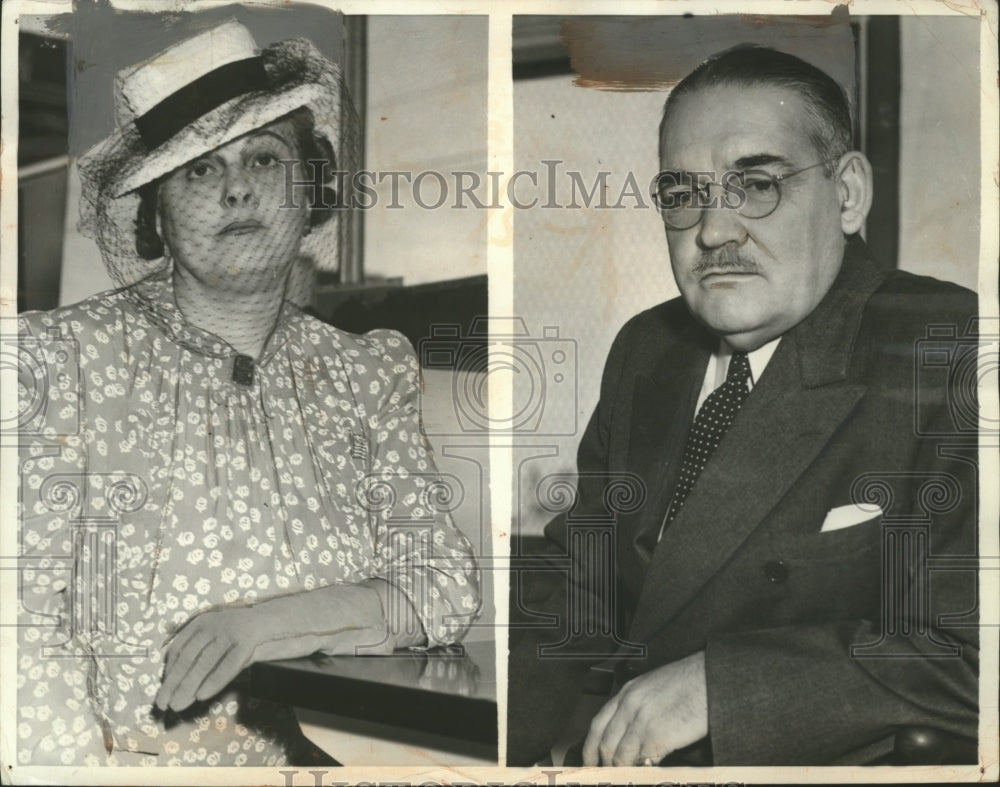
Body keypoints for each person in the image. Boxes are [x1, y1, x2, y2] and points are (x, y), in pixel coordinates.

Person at [16, 21, 480, 767]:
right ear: (157, 215)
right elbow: (21, 641)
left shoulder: (367, 373)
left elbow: (442, 587)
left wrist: (261, 625)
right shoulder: (56, 361)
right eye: (199, 170)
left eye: (263, 158)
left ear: (309, 188)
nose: (236, 187)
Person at [508, 45, 978, 767]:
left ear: (847, 195)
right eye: (682, 193)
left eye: (756, 184)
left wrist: (720, 688)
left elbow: (972, 654)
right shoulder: (648, 349)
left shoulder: (952, 349)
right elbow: (581, 583)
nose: (714, 231)